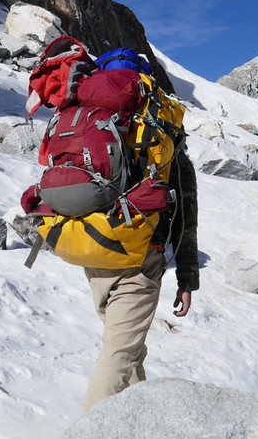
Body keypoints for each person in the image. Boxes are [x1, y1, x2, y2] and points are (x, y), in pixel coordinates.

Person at [81, 147, 200, 412]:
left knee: (128, 349)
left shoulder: (109, 137)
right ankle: (89, 428)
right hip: (138, 264)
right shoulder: (171, 155)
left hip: (94, 255)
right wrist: (187, 279)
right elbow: (185, 224)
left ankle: (137, 420)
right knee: (119, 358)